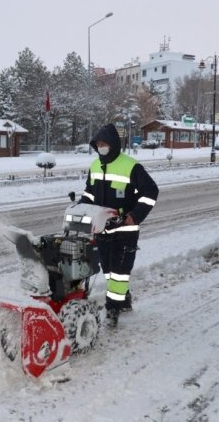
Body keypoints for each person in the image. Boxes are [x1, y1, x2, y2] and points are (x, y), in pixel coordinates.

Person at [79, 123, 159, 327]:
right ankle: (123, 299)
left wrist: (134, 216)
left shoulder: (131, 166)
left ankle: (112, 311)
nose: (101, 147)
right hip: (103, 228)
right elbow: (89, 193)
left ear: (113, 144)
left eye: (104, 143)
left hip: (125, 230)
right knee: (107, 269)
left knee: (120, 273)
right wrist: (81, 207)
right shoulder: (95, 166)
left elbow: (150, 192)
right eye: (98, 144)